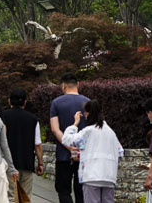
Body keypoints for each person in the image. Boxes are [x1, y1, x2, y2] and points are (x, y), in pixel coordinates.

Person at [60, 100, 123, 203]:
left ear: (88, 113)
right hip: (109, 178)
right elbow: (120, 153)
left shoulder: (88, 131)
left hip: (92, 176)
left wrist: (75, 124)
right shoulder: (111, 132)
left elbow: (67, 139)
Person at [50, 72, 89, 203]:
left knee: (63, 190)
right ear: (78, 84)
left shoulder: (56, 103)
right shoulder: (88, 103)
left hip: (63, 154)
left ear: (63, 86)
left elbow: (55, 129)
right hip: (84, 155)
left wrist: (69, 147)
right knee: (81, 191)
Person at [2, 88, 45, 199]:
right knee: (25, 197)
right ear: (25, 102)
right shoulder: (33, 119)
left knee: (11, 196)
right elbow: (37, 144)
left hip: (8, 162)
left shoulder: (3, 116)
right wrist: (40, 163)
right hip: (27, 162)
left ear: (9, 101)